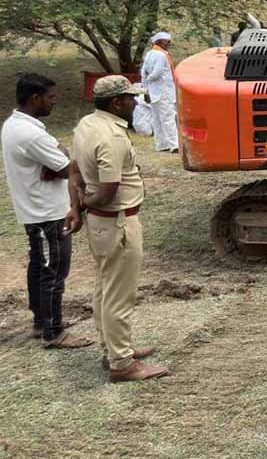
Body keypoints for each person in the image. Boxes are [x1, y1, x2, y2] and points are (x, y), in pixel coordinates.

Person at [69, 75, 166, 382]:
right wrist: (85, 203)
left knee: (104, 288)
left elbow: (73, 171)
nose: (134, 102)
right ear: (116, 102)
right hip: (117, 222)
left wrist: (78, 206)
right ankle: (122, 364)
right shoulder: (111, 136)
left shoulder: (87, 124)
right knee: (119, 296)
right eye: (129, 98)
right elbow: (108, 189)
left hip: (102, 223)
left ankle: (113, 348)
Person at [1, 74, 92, 349]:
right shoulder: (30, 134)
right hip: (47, 212)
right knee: (53, 271)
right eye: (50, 98)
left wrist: (58, 160)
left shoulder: (15, 124)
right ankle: (53, 331)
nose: (55, 102)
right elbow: (69, 168)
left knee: (40, 268)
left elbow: (60, 162)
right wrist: (62, 161)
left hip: (37, 209)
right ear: (35, 98)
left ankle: (42, 321)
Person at [140, 30, 178, 153]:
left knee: (157, 118)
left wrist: (146, 87)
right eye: (167, 42)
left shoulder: (150, 54)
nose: (169, 44)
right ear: (159, 42)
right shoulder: (161, 55)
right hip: (163, 91)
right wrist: (149, 79)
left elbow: (143, 72)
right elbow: (157, 73)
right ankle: (174, 144)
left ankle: (161, 144)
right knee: (168, 117)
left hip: (154, 91)